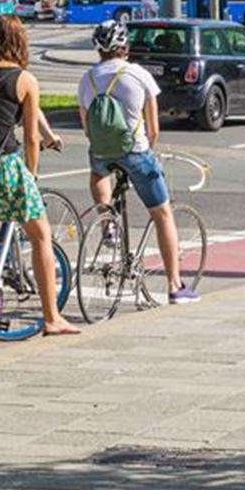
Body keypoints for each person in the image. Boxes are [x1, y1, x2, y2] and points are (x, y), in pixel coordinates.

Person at [0, 14, 80, 336]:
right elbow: (32, 138)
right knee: (40, 235)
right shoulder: (24, 80)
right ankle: (52, 317)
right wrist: (31, 174)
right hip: (2, 166)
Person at [77, 20, 199, 304]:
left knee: (98, 172)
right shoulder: (138, 74)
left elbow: (87, 128)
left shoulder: (88, 79)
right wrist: (148, 152)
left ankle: (107, 222)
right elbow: (153, 127)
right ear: (125, 47)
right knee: (162, 214)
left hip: (101, 152)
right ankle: (174, 285)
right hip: (136, 151)